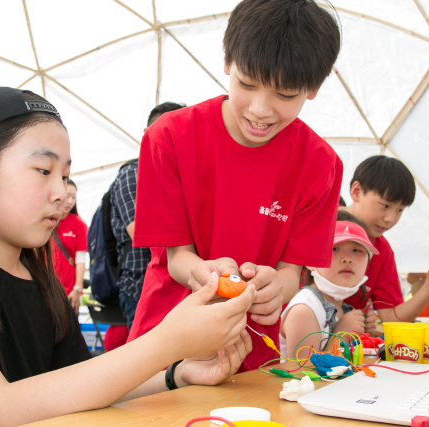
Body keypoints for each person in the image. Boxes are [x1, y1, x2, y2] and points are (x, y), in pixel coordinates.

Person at [0, 87, 255, 426]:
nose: (62, 193)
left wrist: (179, 372)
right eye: (42, 170)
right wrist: (167, 341)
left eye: (64, 176)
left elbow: (79, 382)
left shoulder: (41, 283)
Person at [128, 0, 343, 372]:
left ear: (313, 88)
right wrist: (206, 275)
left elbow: (291, 272)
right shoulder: (169, 138)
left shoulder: (320, 165)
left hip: (250, 358)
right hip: (163, 350)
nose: (260, 109)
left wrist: (277, 287)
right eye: (247, 84)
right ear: (228, 63)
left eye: (285, 94)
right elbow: (178, 259)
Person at [342, 155, 429, 323]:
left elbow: (391, 319)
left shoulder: (382, 250)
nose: (390, 218)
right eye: (385, 206)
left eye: (400, 210)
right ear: (356, 192)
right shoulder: (317, 224)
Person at [111, 101, 185, 328]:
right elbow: (139, 231)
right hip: (140, 285)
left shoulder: (180, 175)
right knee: (148, 358)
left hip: (174, 285)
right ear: (148, 133)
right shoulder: (133, 174)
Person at [280, 211, 378, 358]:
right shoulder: (304, 310)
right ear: (311, 261)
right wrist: (341, 334)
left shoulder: (341, 308)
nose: (347, 259)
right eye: (335, 248)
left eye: (357, 250)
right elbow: (302, 373)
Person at [52, 178, 87, 314]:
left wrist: (77, 289)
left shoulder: (78, 224)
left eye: (74, 197)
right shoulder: (45, 221)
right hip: (45, 289)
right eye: (67, 196)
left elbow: (81, 259)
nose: (70, 201)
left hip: (69, 290)